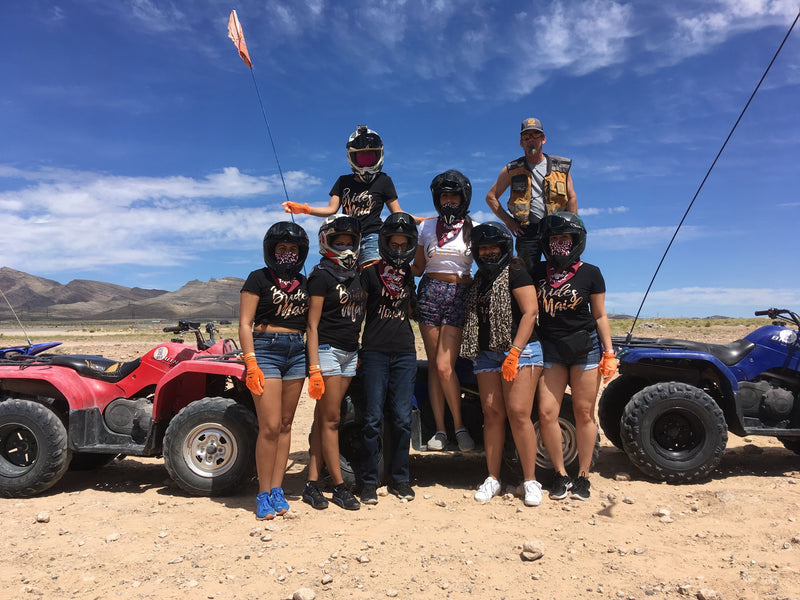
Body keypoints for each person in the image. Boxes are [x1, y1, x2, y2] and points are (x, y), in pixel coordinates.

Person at [533, 212, 618, 502]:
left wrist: (609, 352)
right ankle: (560, 474)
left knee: (583, 413)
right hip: (551, 349)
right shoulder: (537, 273)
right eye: (554, 239)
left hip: (586, 349)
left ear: (576, 241)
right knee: (546, 414)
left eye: (564, 238)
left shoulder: (591, 273)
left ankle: (583, 475)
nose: (559, 244)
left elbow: (600, 314)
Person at [460, 222, 545, 507]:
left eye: (492, 247)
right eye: (482, 248)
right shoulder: (479, 279)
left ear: (504, 247)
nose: (487, 252)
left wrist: (515, 352)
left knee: (519, 413)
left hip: (520, 352)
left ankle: (531, 481)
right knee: (492, 414)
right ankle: (493, 478)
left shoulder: (516, 271)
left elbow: (530, 311)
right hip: (486, 354)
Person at [239, 222, 310, 520]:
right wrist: (251, 361)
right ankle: (263, 493)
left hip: (297, 351)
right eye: (282, 249)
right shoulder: (258, 279)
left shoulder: (304, 283)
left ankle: (278, 489)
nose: (287, 254)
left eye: (292, 249)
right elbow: (245, 323)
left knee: (285, 424)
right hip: (266, 348)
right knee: (268, 426)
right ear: (271, 250)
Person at [282, 125, 416, 267]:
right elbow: (331, 210)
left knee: (370, 271)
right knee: (335, 271)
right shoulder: (343, 181)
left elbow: (397, 212)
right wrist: (305, 210)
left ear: (379, 155)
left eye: (370, 157)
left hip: (372, 235)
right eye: (362, 157)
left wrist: (420, 221)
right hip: (347, 236)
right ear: (352, 157)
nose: (366, 163)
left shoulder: (384, 180)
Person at [302, 214, 366, 511]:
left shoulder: (356, 276)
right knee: (332, 420)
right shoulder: (320, 276)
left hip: (350, 353)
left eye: (349, 241)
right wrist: (314, 367)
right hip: (327, 351)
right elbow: (312, 325)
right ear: (326, 242)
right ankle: (340, 487)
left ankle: (312, 483)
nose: (345, 247)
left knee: (322, 420)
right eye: (339, 242)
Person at [411, 170, 476, 452]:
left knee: (444, 365)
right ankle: (439, 430)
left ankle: (459, 427)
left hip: (459, 294)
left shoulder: (474, 227)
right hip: (429, 293)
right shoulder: (426, 228)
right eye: (444, 196)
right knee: (436, 367)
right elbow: (416, 268)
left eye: (454, 195)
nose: (449, 200)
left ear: (464, 197)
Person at [359, 212, 419, 505]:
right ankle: (369, 482)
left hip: (405, 352)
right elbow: (357, 314)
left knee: (402, 418)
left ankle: (400, 479)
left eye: (402, 245)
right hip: (374, 352)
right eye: (392, 245)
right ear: (384, 243)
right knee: (371, 419)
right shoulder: (369, 274)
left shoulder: (409, 275)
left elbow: (415, 311)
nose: (397, 250)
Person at [485, 118, 577, 275]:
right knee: (526, 275)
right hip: (527, 232)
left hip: (556, 229)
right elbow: (491, 197)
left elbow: (571, 197)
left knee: (563, 271)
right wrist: (509, 222)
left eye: (535, 135)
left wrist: (573, 228)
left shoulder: (561, 167)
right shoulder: (512, 169)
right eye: (526, 137)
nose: (531, 140)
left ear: (543, 139)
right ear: (521, 143)